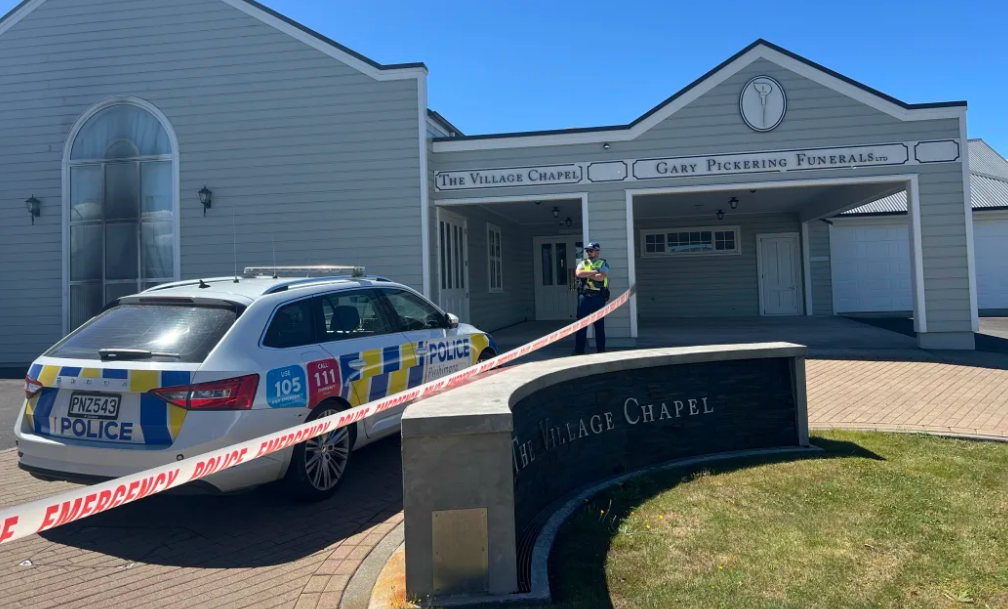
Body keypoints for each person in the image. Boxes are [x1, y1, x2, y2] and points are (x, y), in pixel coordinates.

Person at [573, 242, 609, 355]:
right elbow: (578, 273)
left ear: (597, 251)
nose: (588, 252)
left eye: (591, 250)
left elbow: (602, 277)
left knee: (599, 325)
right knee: (581, 325)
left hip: (598, 297)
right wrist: (595, 271)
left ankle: (601, 350)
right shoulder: (583, 262)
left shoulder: (603, 263)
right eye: (587, 250)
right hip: (584, 297)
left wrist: (587, 274)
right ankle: (579, 351)